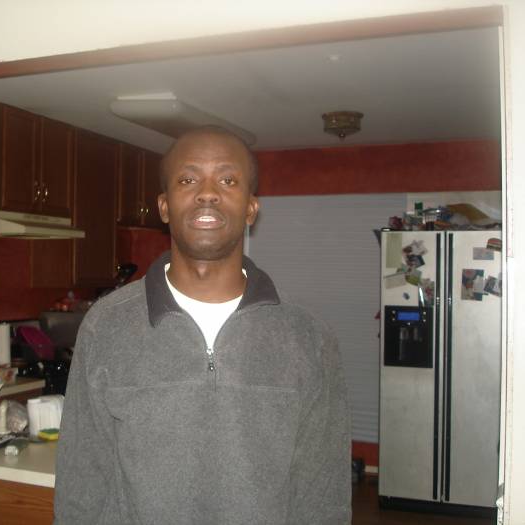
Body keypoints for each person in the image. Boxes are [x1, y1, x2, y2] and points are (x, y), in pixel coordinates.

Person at [54, 126, 351, 524]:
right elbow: (81, 484)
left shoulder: (308, 338)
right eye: (188, 179)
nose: (207, 193)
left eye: (227, 180)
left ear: (251, 208)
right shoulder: (106, 327)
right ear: (164, 207)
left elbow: (323, 496)